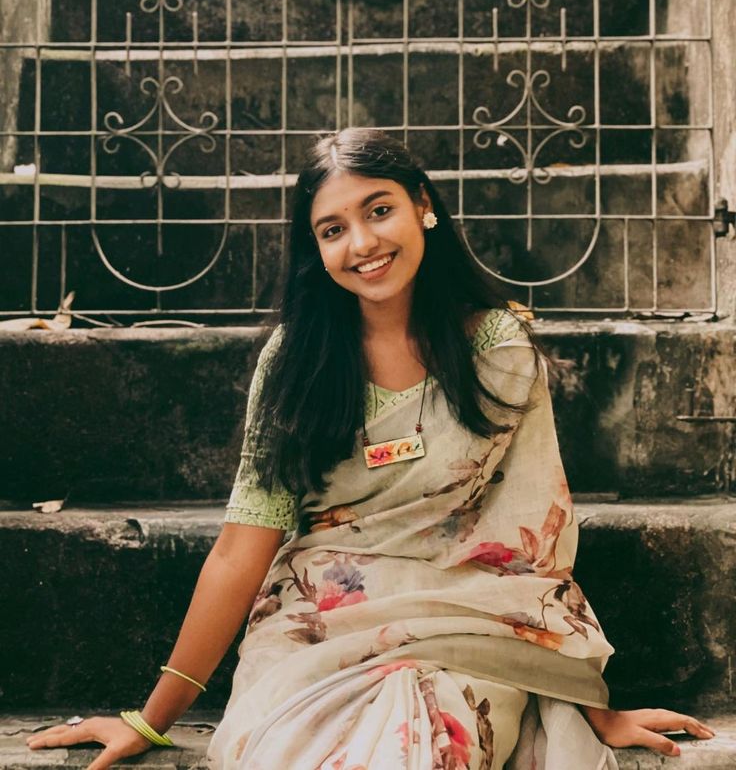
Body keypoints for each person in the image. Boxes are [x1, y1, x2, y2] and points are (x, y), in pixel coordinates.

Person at [27, 128, 714, 769]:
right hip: (318, 629)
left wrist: (581, 694)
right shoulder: (296, 363)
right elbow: (242, 548)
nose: (361, 242)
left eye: (378, 210)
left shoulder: (496, 350)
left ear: (423, 206)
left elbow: (530, 539)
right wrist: (151, 719)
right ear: (315, 251)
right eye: (333, 229)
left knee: (421, 741)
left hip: (468, 626)